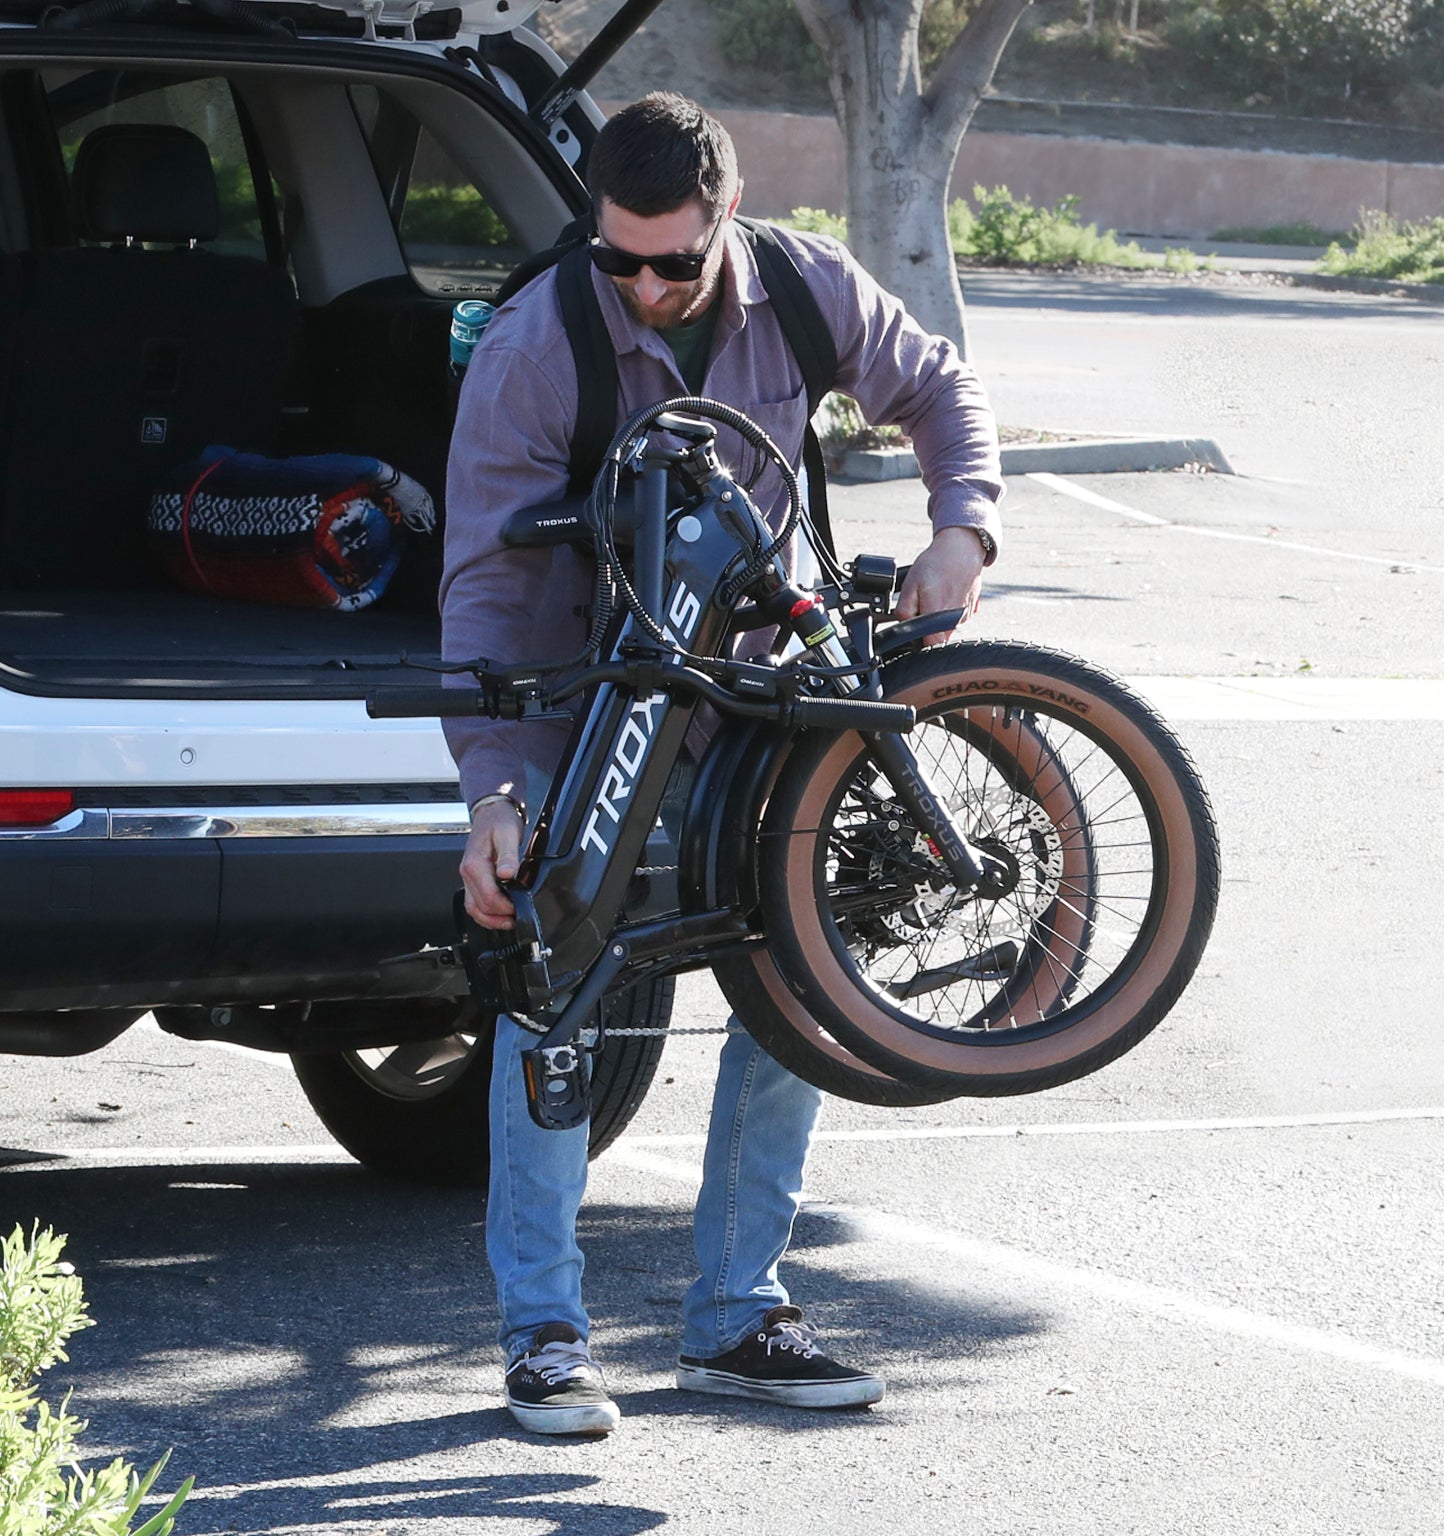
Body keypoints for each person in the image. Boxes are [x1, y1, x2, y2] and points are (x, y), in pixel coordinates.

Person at [439, 92, 1003, 1436]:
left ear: (728, 217)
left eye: (674, 263)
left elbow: (939, 386)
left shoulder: (806, 289)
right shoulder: (536, 349)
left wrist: (962, 530)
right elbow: (486, 591)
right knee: (552, 982)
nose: (644, 288)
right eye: (617, 259)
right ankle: (543, 1340)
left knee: (794, 984)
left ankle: (739, 1317)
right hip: (597, 703)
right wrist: (497, 794)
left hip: (769, 697)